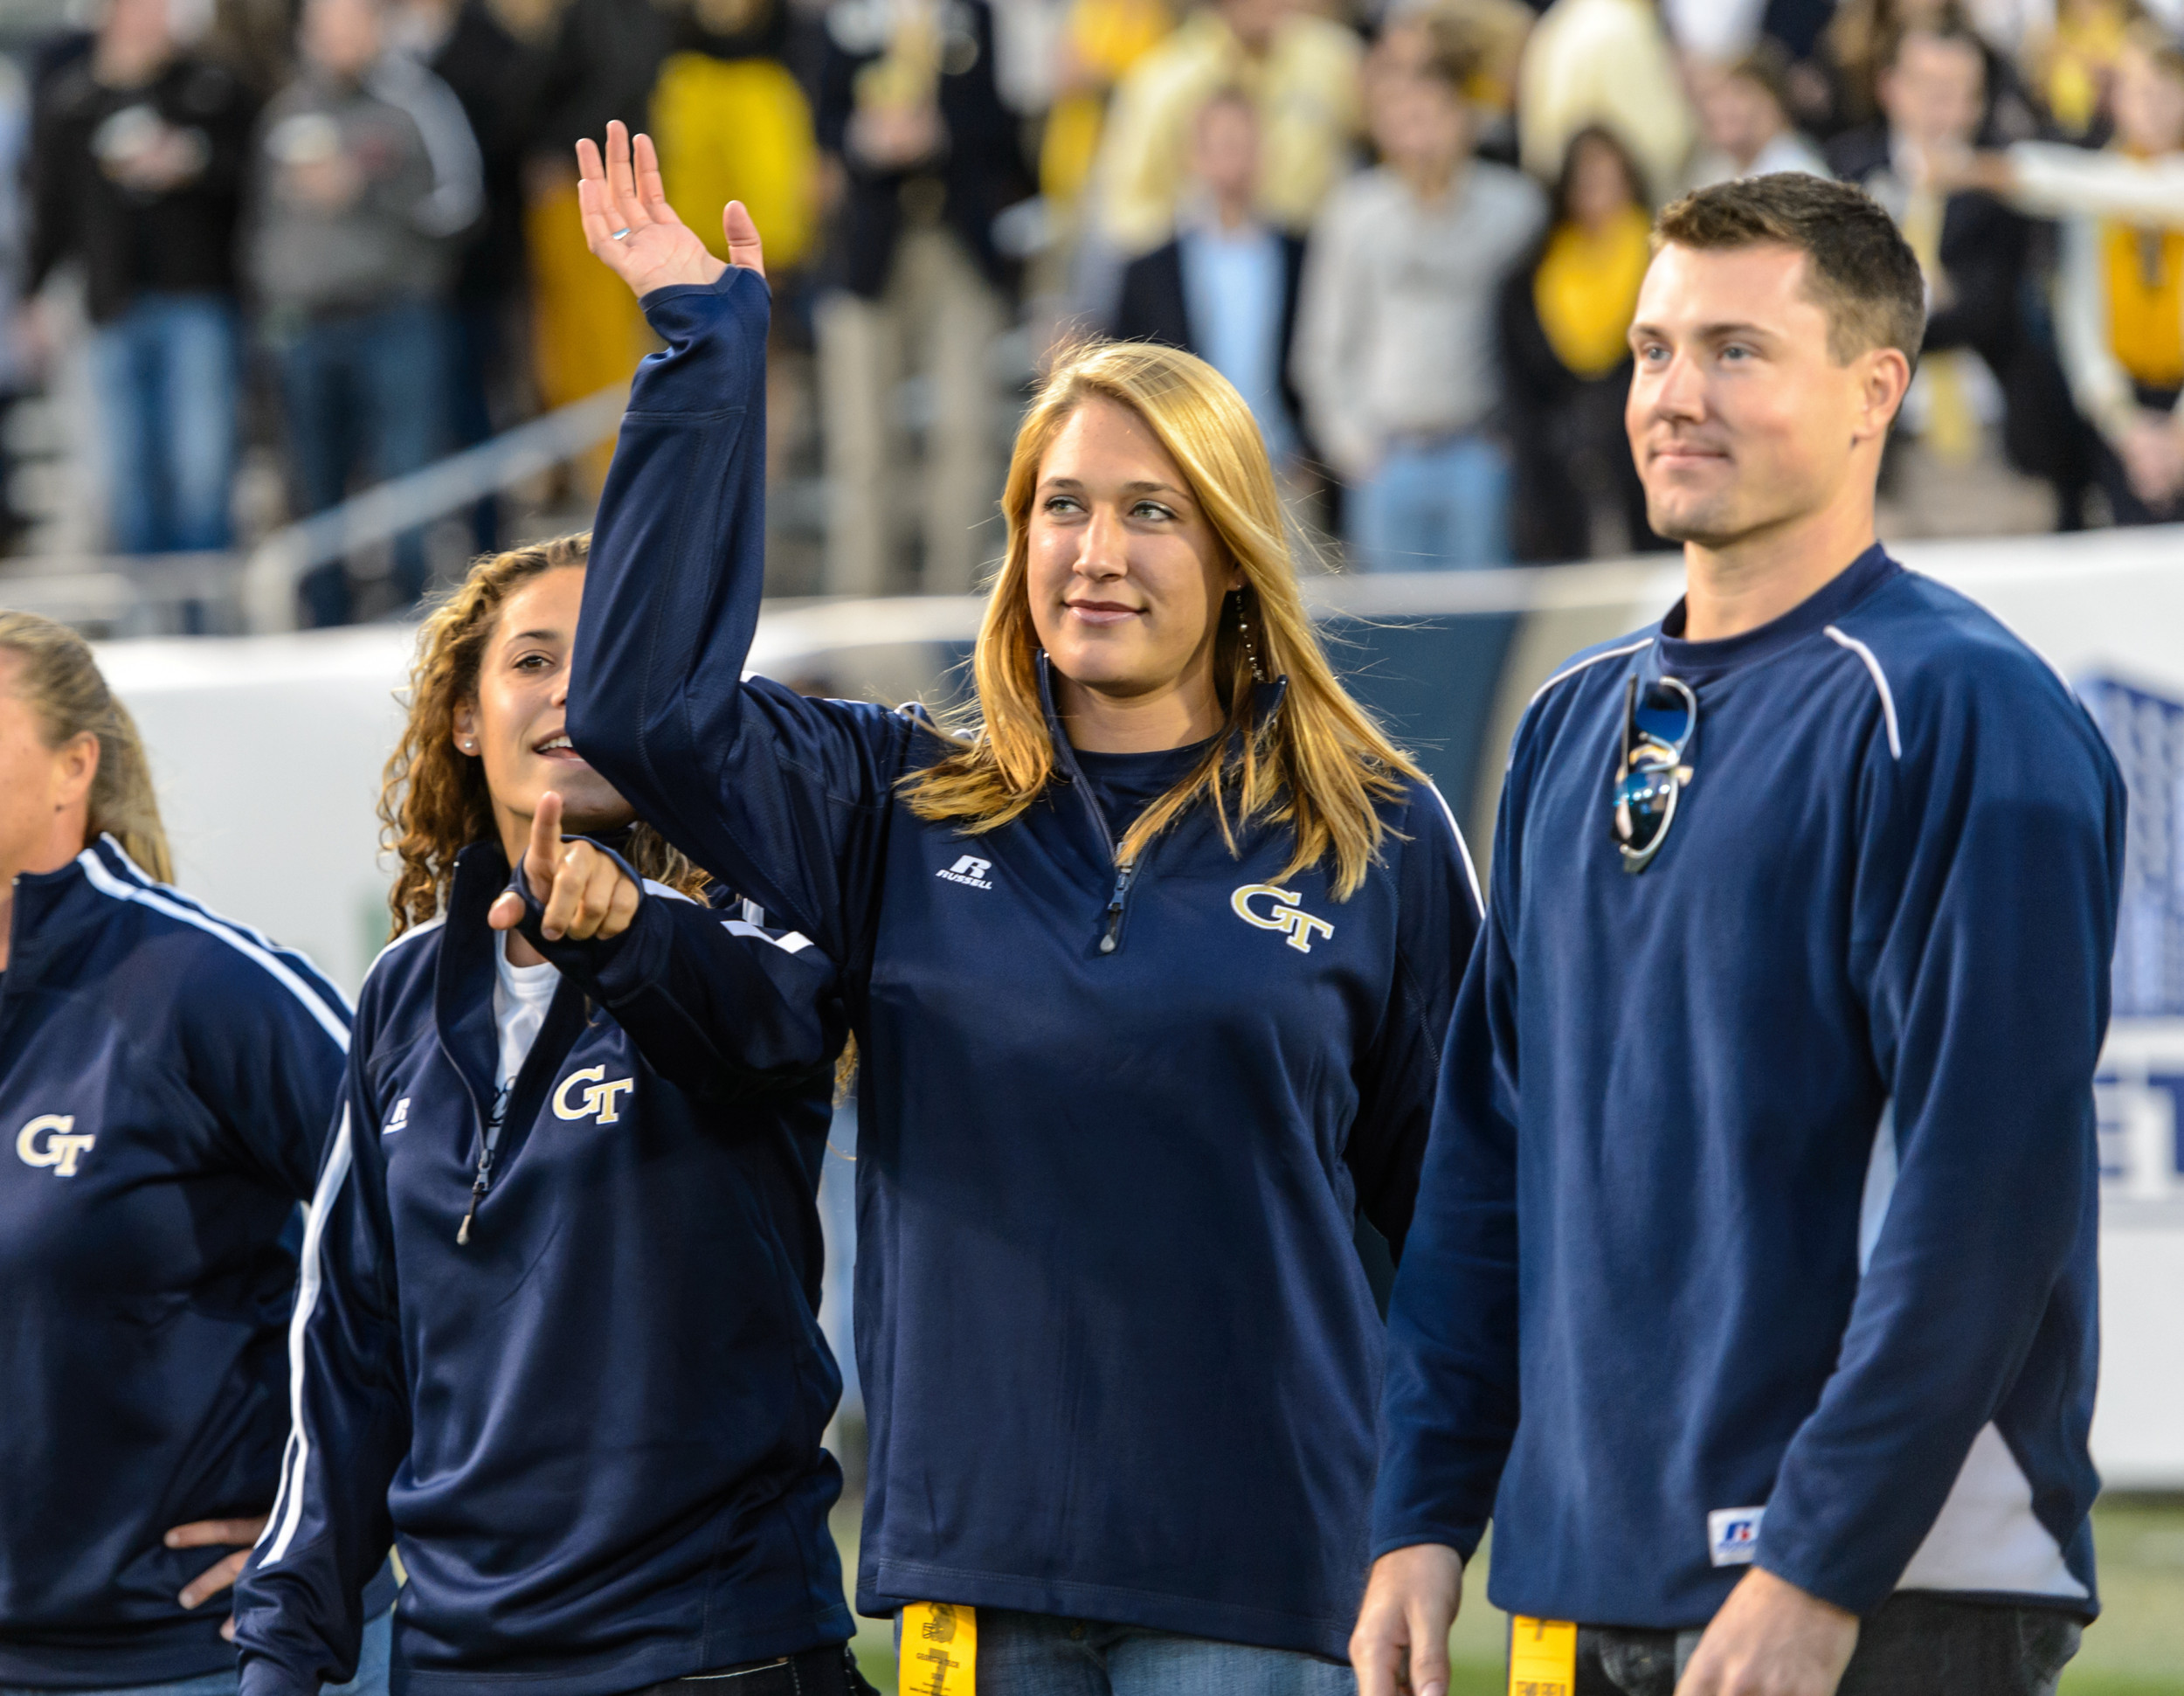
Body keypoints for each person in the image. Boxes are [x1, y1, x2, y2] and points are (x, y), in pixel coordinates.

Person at [568, 122, 1480, 1693]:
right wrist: (702, 351)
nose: (1097, 553)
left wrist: (1433, 1516)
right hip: (974, 1576)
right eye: (1062, 507)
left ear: (1236, 553)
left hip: (1266, 1579)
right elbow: (641, 711)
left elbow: (1466, 1203)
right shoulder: (894, 803)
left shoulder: (1375, 834)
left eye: (1149, 511)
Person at [1353, 171, 2119, 1696]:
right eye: (1651, 350)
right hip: (1582, 1575)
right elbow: (1489, 1163)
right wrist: (1421, 1510)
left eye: (1736, 351)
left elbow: (1987, 1190)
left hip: (1878, 1593)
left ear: (1873, 390)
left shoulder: (1963, 712)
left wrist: (1819, 1559)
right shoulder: (1578, 722)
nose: (1674, 396)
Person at [229, 534, 870, 1696]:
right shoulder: (402, 995)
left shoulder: (760, 927)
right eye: (532, 658)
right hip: (461, 1667)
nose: (573, 686)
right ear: (466, 718)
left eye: (614, 654)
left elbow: (758, 1028)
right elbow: (348, 1361)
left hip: (717, 1655)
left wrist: (630, 934)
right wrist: (284, 1644)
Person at [0, 612, 391, 1694]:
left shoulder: (203, 987)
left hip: (195, 1662)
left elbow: (450, 1234)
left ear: (75, 764)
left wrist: (348, 1511)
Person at [245, 0, 481, 626]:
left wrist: (368, 189)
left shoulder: (415, 102)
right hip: (306, 327)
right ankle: (323, 624)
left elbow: (459, 208)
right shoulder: (287, 112)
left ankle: (417, 626)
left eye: (350, 22)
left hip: (395, 318)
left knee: (408, 480)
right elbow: (263, 227)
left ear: (377, 27)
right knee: (314, 488)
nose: (338, 38)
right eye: (325, 25)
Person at [1293, 45, 1544, 570]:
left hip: (1479, 451)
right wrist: (1353, 451)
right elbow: (1320, 347)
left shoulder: (1515, 209)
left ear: (1465, 122)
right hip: (1388, 458)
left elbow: (1536, 334)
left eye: (1434, 117)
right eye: (1405, 119)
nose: (1422, 136)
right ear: (1383, 129)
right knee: (1397, 627)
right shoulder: (1355, 215)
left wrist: (1515, 440)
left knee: (1483, 623)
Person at [1831, 21, 2090, 525]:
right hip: (1884, 451)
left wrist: (1889, 299)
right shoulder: (1847, 171)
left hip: (1997, 437)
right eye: (1933, 89)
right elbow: (1841, 316)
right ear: (1891, 87)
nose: (1950, 109)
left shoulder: (2001, 175)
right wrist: (1926, 291)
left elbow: (1983, 308)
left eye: (1966, 93)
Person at [24, 0, 258, 557]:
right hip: (112, 305)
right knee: (123, 476)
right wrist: (30, 296)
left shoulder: (212, 88)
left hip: (199, 300)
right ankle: (146, 619)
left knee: (202, 467)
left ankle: (205, 614)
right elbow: (50, 208)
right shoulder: (73, 101)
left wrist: (190, 160)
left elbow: (254, 177)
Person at [812, 0, 1028, 594]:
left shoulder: (974, 13)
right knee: (861, 445)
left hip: (957, 241)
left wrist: (940, 131)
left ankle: (954, 613)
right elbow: (818, 115)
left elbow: (1006, 126)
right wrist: (864, 137)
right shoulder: (843, 16)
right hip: (866, 249)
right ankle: (859, 612)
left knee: (965, 430)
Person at [1113, 90, 1308, 475]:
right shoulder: (1150, 270)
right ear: (1192, 156)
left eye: (1243, 144)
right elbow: (1128, 370)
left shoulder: (1302, 256)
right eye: (1219, 145)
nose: (1232, 158)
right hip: (1185, 469)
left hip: (1282, 466)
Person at [1500, 126, 1669, 561]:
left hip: (1651, 467)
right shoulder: (1531, 276)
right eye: (1586, 181)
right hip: (1561, 475)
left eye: (1611, 179)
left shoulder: (1667, 268)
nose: (1599, 195)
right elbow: (1522, 384)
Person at [1092, 0, 1361, 259]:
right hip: (1195, 271)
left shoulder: (1333, 58)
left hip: (1315, 263)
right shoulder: (1162, 81)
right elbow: (1127, 211)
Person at [2050, 26, 2184, 523]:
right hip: (2122, 405)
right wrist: (2124, 426)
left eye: (2168, 92)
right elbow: (2080, 310)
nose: (2153, 107)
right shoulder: (2093, 186)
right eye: (2139, 91)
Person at [1515, 0, 1694, 205]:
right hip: (1625, 212)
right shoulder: (1621, 28)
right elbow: (1658, 141)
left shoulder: (1558, 22)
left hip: (1564, 203)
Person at [1682, 45, 1828, 191]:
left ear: (1771, 103)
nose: (1716, 108)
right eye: (1711, 96)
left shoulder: (1797, 174)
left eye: (1739, 93)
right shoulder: (1717, 172)